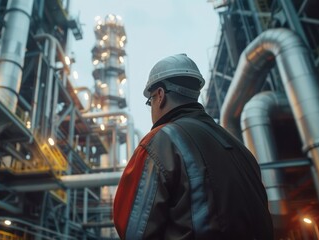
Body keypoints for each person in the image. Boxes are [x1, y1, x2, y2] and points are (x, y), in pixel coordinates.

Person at [113, 54, 274, 239]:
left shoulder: (160, 143)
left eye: (150, 101)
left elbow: (133, 230)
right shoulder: (240, 148)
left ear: (160, 95)